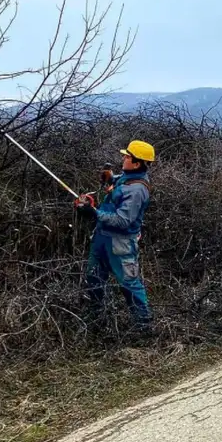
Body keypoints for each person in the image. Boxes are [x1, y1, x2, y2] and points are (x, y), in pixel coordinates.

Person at [75, 140, 156, 336]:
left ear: (137, 163)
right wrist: (110, 178)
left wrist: (93, 212)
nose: (123, 158)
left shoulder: (137, 190)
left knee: (129, 284)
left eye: (127, 156)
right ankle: (96, 321)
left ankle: (144, 328)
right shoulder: (127, 177)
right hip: (101, 239)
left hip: (121, 244)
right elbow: (119, 181)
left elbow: (122, 221)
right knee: (94, 278)